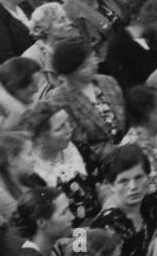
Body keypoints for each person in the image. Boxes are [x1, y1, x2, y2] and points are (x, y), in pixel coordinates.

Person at [45, 35, 126, 169]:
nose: (94, 65)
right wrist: (121, 150)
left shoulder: (107, 82)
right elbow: (80, 144)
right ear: (69, 72)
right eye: (84, 66)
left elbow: (125, 119)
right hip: (99, 165)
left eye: (93, 58)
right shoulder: (59, 99)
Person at [17, 100, 100, 226]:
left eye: (68, 122)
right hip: (66, 238)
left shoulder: (80, 150)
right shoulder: (32, 173)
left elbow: (101, 186)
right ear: (40, 137)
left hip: (96, 227)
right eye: (60, 127)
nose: (69, 129)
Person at [91, 144, 157, 256]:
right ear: (111, 186)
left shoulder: (150, 205)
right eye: (123, 181)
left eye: (139, 177)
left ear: (147, 177)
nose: (133, 187)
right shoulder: (103, 224)